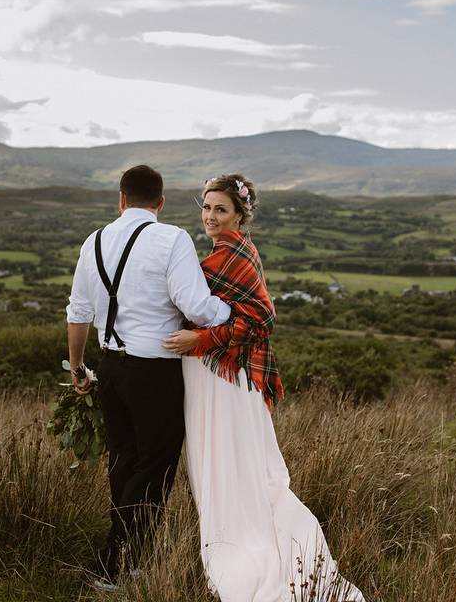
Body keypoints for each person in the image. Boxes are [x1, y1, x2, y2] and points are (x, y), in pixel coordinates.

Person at [163, 174, 366, 602]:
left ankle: (242, 549)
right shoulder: (225, 253)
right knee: (219, 462)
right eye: (206, 207)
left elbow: (261, 319)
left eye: (221, 209)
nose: (211, 217)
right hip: (212, 374)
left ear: (239, 214)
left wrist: (198, 340)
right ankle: (231, 534)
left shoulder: (235, 254)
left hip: (223, 376)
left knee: (227, 461)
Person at [65, 164, 232, 591]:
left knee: (123, 461)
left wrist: (79, 366)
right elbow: (197, 307)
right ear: (160, 203)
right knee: (156, 467)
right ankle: (114, 563)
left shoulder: (94, 241)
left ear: (121, 200)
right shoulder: (171, 238)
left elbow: (78, 311)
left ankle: (128, 560)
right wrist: (229, 313)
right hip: (155, 370)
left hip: (110, 368)